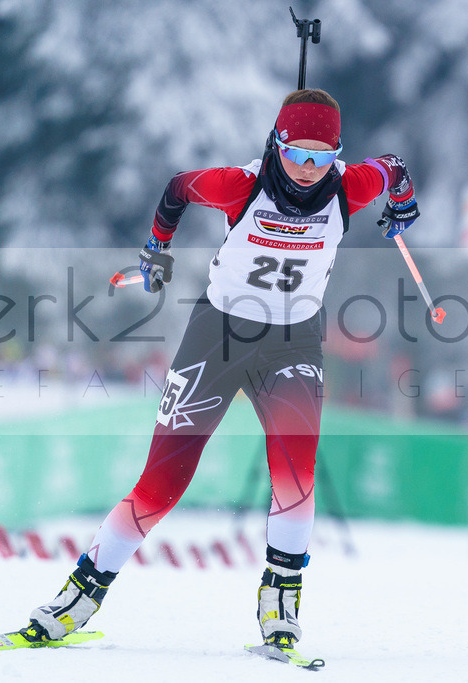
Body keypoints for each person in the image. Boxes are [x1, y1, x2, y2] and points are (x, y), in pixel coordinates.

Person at [21, 89, 420, 650]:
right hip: (219, 335)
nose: (307, 169)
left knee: (296, 473)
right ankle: (80, 595)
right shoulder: (241, 184)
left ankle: (280, 600)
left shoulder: (352, 186)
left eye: (321, 156)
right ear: (275, 143)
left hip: (293, 342)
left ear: (338, 155)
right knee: (162, 483)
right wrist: (157, 248)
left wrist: (401, 202)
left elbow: (396, 169)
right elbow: (179, 187)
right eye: (295, 153)